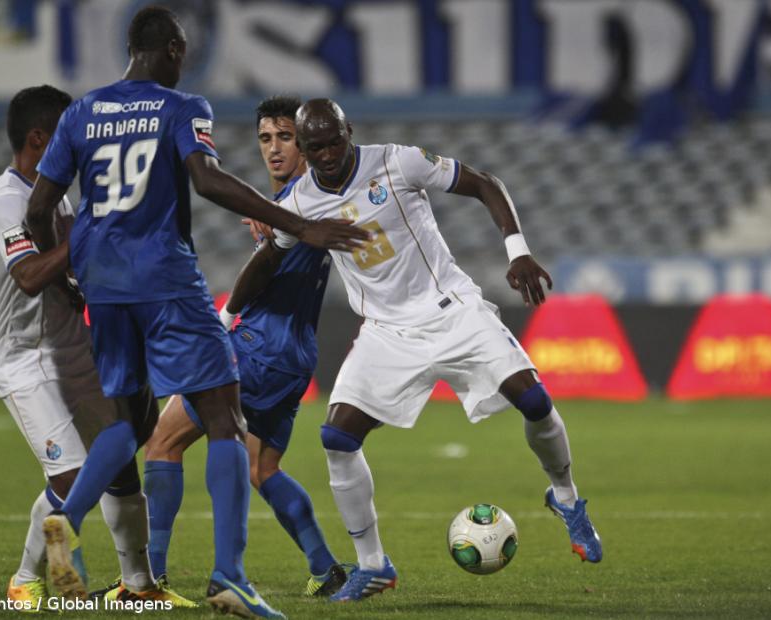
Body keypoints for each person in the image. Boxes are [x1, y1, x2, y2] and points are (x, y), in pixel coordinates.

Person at [25, 7, 367, 618]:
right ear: (176, 49)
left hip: (102, 285)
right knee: (224, 417)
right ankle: (230, 577)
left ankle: (64, 519)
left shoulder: (80, 112)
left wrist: (78, 269)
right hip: (163, 277)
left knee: (131, 422)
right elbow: (206, 181)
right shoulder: (181, 107)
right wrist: (299, 226)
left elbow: (39, 208)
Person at [259, 99, 604, 602]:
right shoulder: (299, 203)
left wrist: (519, 251)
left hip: (452, 311)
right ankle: (373, 565)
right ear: (304, 151)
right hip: (386, 332)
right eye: (315, 147)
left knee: (534, 402)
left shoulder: (399, 161)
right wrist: (227, 317)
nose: (328, 153)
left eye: (335, 140)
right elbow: (267, 257)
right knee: (336, 437)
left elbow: (485, 183)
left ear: (348, 131)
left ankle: (567, 499)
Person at [0, 85, 195, 608]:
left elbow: (77, 261)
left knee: (119, 464)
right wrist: (89, 238)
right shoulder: (6, 200)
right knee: (76, 475)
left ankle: (137, 586)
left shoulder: (57, 194)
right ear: (39, 138)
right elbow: (29, 275)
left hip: (75, 348)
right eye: (68, 134)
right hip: (25, 357)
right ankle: (25, 579)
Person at [140, 94, 348, 599]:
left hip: (257, 347)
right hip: (296, 358)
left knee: (162, 444)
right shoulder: (295, 204)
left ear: (307, 143)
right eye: (265, 138)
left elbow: (267, 266)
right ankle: (326, 567)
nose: (274, 149)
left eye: (285, 138)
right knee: (261, 467)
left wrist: (227, 313)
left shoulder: (299, 203)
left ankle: (148, 577)